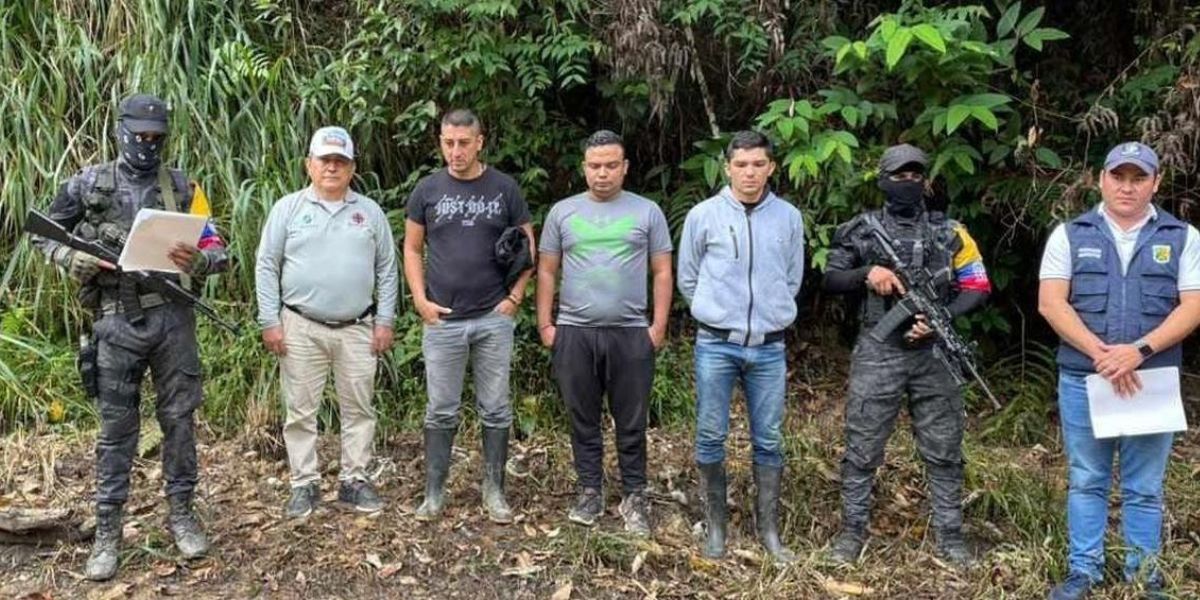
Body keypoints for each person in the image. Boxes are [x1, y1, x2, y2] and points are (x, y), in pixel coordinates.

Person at [32, 93, 228, 580]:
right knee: (116, 433)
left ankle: (182, 515)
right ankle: (107, 533)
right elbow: (42, 233)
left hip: (172, 319)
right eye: (140, 135)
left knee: (179, 422)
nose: (148, 144)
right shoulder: (88, 182)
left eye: (156, 137)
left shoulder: (182, 185)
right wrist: (69, 258)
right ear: (121, 130)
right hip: (116, 321)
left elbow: (217, 244)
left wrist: (202, 259)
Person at [1039, 142, 1200, 600]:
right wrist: (1102, 353)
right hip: (1084, 378)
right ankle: (1083, 571)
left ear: (1156, 183)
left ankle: (1144, 576)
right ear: (1101, 179)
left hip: (1151, 380)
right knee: (1087, 478)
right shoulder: (1069, 234)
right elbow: (1051, 302)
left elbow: (1193, 306)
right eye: (1118, 176)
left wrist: (1139, 351)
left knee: (1144, 488)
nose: (1127, 187)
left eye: (1138, 178)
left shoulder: (1183, 237)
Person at [824, 143, 991, 567]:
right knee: (862, 447)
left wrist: (940, 320)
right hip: (879, 349)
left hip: (933, 352)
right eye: (899, 176)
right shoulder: (858, 230)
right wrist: (868, 273)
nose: (909, 183)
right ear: (882, 180)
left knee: (944, 448)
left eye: (916, 176)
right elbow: (830, 279)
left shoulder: (952, 233)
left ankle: (950, 537)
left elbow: (977, 286)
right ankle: (851, 533)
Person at [255, 126, 399, 518]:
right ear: (310, 164)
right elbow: (267, 265)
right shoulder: (288, 209)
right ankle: (304, 483)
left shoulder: (369, 212)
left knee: (359, 406)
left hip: (357, 327)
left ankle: (355, 479)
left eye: (340, 161)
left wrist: (385, 320)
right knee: (300, 410)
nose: (332, 168)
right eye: (325, 160)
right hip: (301, 325)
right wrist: (270, 319)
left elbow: (387, 269)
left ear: (352, 167)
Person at [676, 130, 805, 563]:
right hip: (717, 344)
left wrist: (771, 315)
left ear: (771, 167)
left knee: (768, 437)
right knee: (711, 434)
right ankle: (717, 527)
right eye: (741, 165)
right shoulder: (703, 216)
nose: (749, 173)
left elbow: (792, 277)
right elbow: (688, 277)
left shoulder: (788, 218)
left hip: (768, 347)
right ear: (727, 166)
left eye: (758, 165)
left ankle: (768, 529)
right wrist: (713, 311)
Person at [536, 130, 673, 535]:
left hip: (631, 333)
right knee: (583, 418)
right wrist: (547, 324)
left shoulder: (647, 212)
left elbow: (662, 270)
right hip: (575, 332)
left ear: (625, 167)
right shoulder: (562, 213)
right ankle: (590, 490)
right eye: (595, 166)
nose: (602, 173)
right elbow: (546, 269)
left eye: (611, 165)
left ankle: (634, 495)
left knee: (631, 420)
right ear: (584, 168)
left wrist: (658, 326)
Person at [404, 109, 535, 523]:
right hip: (443, 319)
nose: (455, 151)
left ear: (480, 142)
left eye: (463, 142)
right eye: (448, 142)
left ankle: (494, 490)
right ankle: (434, 493)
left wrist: (515, 297)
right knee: (441, 408)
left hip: (493, 318)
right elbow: (411, 248)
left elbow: (528, 246)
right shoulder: (427, 190)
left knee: (495, 407)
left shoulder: (504, 189)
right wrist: (420, 300)